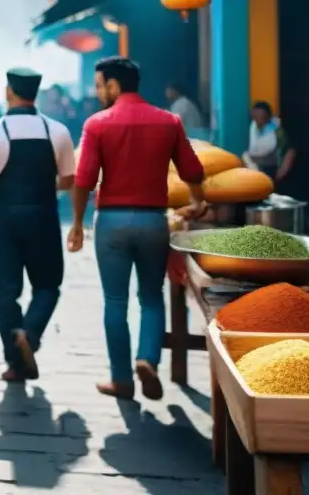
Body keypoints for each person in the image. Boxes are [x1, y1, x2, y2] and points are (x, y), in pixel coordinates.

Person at [68, 57, 206, 400]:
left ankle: (121, 379)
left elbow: (84, 180)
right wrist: (198, 201)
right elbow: (193, 170)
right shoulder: (168, 121)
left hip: (111, 221)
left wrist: (76, 224)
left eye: (101, 85)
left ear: (114, 85)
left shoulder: (97, 124)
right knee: (151, 298)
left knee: (115, 301)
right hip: (152, 221)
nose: (99, 92)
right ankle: (147, 359)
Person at [0, 68, 76, 382]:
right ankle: (29, 335)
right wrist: (40, 186)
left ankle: (15, 361)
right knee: (48, 286)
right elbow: (69, 179)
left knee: (6, 292)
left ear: (8, 92)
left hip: (5, 220)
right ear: (37, 93)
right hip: (43, 217)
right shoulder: (56, 131)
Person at [243, 101, 296, 184]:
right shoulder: (251, 128)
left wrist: (282, 171)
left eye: (261, 115)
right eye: (255, 115)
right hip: (254, 170)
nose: (258, 118)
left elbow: (290, 151)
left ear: (268, 116)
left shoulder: (277, 132)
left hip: (271, 170)